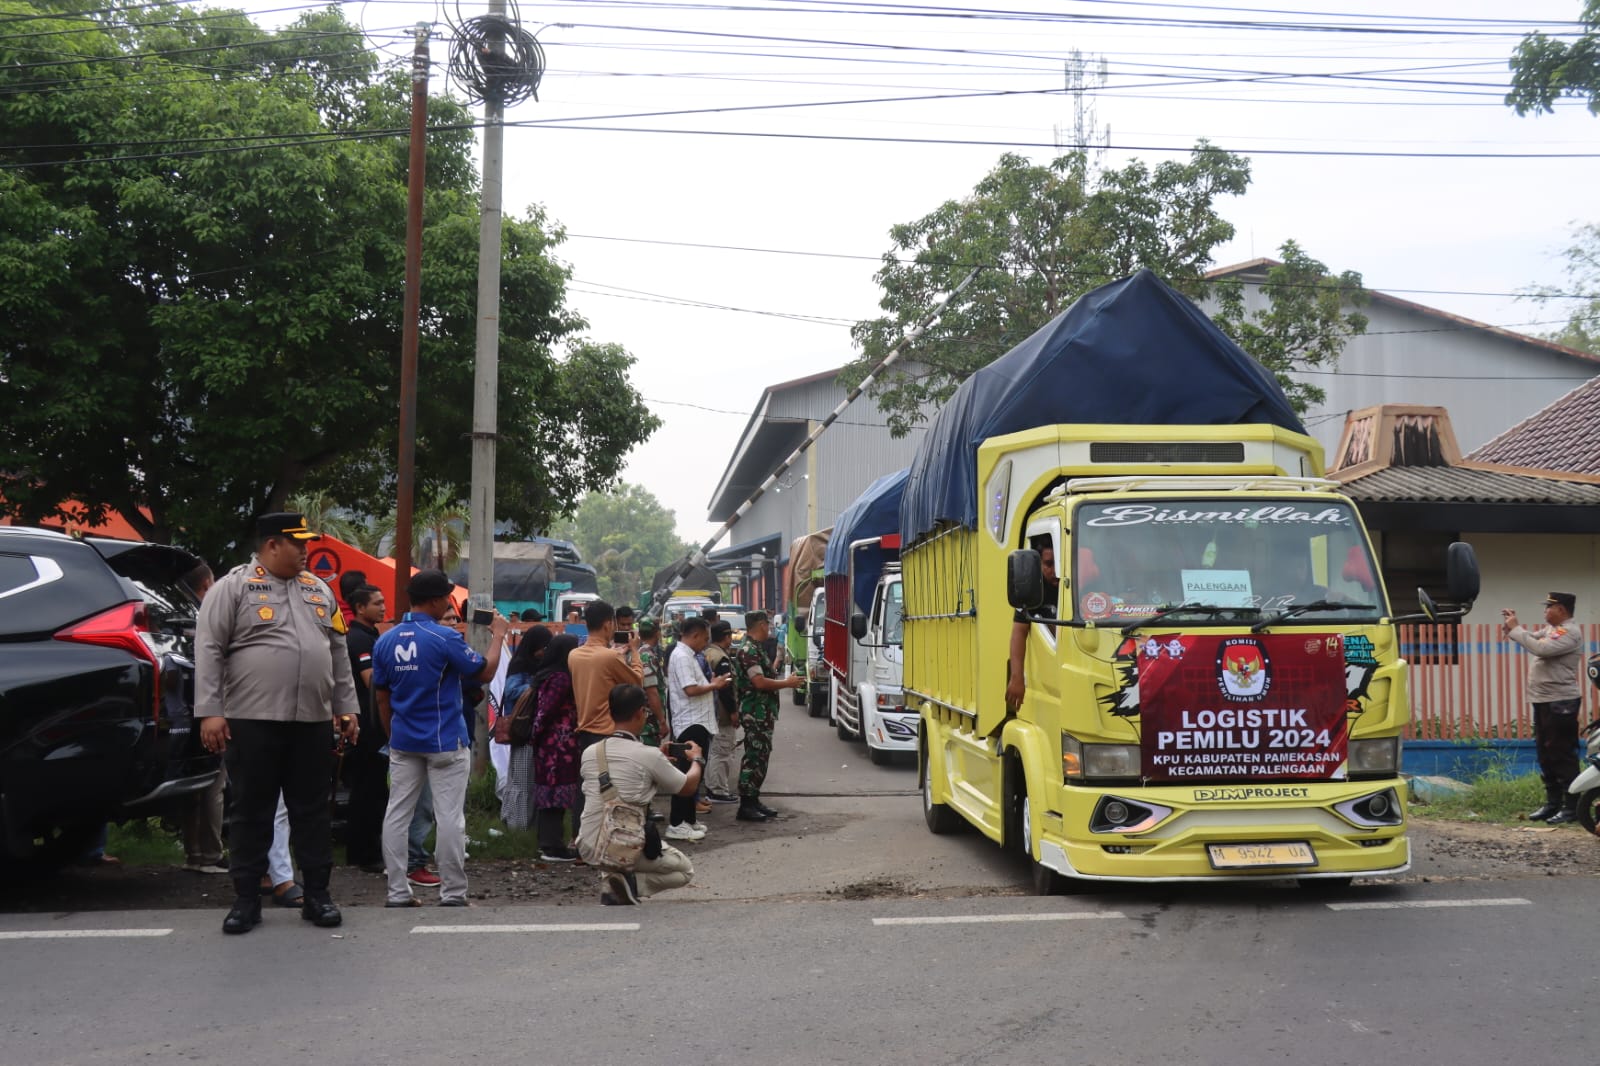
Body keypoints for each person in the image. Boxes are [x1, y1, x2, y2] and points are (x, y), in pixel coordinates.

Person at [194, 512, 359, 934]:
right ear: (271, 546)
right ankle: (247, 900)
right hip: (252, 721)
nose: (306, 551)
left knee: (312, 812)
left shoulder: (318, 589)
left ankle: (317, 896)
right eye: (297, 544)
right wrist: (210, 711)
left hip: (312, 721)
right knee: (251, 811)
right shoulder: (232, 588)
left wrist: (347, 707)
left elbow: (338, 653)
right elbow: (210, 650)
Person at [373, 570, 509, 907]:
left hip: (404, 742)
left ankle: (397, 892)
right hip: (445, 741)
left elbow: (381, 698)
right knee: (449, 817)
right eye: (447, 597)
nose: (450, 603)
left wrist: (394, 737)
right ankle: (452, 893)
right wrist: (499, 635)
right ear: (435, 600)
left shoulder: (385, 641)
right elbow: (486, 671)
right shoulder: (443, 638)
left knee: (397, 814)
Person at [576, 684, 701, 905]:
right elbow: (687, 787)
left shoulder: (590, 752)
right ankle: (631, 885)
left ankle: (614, 878)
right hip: (621, 844)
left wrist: (657, 761)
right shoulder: (649, 755)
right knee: (685, 870)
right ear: (640, 713)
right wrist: (697, 760)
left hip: (588, 844)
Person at [1503, 592, 1585, 824]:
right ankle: (1552, 804)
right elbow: (1531, 638)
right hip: (1544, 700)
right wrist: (1513, 629)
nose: (1545, 612)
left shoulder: (1569, 632)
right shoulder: (1552, 630)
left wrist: (1516, 629)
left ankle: (1572, 807)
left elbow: (1541, 649)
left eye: (1549, 607)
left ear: (1561, 609)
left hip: (1561, 702)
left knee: (1561, 753)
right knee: (1545, 753)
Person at [567, 600, 644, 831]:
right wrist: (634, 652)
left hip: (584, 731)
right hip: (608, 732)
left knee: (586, 789)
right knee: (612, 790)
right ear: (608, 624)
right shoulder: (610, 658)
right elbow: (636, 682)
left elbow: (599, 666)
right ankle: (612, 840)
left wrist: (615, 653)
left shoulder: (574, 655)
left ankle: (580, 839)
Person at [178, 560, 227, 875]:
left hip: (181, 712)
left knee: (192, 785)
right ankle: (210, 853)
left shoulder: (177, 617)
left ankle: (194, 852)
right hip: (211, 713)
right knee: (213, 783)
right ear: (208, 586)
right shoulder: (207, 620)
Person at [732, 611, 802, 823]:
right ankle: (746, 804)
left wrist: (779, 669)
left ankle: (754, 799)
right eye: (768, 625)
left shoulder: (756, 648)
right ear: (761, 625)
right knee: (754, 756)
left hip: (762, 712)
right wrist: (787, 684)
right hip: (755, 713)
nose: (770, 628)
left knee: (761, 755)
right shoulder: (748, 650)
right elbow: (759, 682)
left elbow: (765, 675)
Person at [665, 616, 730, 840]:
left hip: (698, 720)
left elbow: (695, 685)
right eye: (704, 637)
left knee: (695, 773)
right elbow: (690, 690)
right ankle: (676, 822)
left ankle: (689, 819)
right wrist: (715, 685)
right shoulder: (682, 656)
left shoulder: (689, 655)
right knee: (685, 774)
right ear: (694, 635)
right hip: (690, 722)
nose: (705, 642)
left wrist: (709, 681)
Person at [341, 584, 388, 873]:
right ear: (360, 608)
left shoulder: (371, 636)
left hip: (371, 724)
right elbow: (372, 681)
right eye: (377, 603)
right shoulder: (359, 639)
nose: (383, 607)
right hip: (366, 726)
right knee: (367, 792)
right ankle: (364, 854)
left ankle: (366, 850)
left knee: (374, 791)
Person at [527, 634, 583, 861]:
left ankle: (549, 842)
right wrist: (537, 735)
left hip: (552, 744)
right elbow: (546, 711)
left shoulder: (549, 675)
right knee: (554, 794)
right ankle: (551, 846)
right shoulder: (560, 678)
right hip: (557, 746)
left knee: (551, 793)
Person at [500, 626, 554, 829]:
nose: (545, 651)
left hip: (530, 730)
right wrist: (537, 685)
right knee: (522, 781)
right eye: (543, 647)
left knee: (521, 778)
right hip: (523, 730)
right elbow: (511, 690)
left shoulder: (537, 665)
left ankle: (513, 819)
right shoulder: (521, 666)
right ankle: (518, 825)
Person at [1005, 539, 1059, 711]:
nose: (1055, 571)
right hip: (1045, 677)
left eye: (1059, 564)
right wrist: (1017, 678)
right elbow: (1019, 632)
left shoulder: (1076, 585)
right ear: (1038, 565)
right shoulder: (1032, 590)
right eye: (1049, 564)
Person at [703, 620, 742, 803]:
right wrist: (733, 712)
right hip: (722, 713)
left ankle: (713, 788)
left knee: (715, 751)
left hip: (710, 711)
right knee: (723, 751)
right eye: (729, 637)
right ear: (726, 637)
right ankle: (718, 791)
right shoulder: (721, 658)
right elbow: (725, 689)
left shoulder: (708, 653)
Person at [636, 616, 671, 748]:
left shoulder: (640, 652)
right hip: (649, 724)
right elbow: (652, 692)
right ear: (657, 633)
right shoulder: (647, 656)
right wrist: (662, 722)